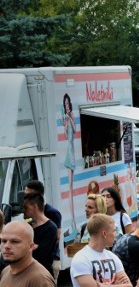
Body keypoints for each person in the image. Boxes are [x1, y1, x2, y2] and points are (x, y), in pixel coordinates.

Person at [25, 180, 62, 281]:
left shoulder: (52, 213)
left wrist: (55, 258)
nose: (26, 197)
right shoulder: (29, 216)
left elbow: (57, 237)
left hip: (51, 258)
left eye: (29, 194)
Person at [62, 93, 78, 239]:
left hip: (73, 152)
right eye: (65, 104)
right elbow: (67, 135)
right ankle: (72, 223)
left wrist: (70, 118)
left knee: (71, 190)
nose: (67, 106)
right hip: (69, 152)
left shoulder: (71, 115)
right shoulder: (65, 118)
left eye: (68, 103)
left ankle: (73, 224)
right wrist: (66, 121)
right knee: (70, 190)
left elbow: (75, 129)